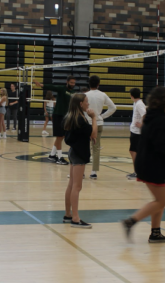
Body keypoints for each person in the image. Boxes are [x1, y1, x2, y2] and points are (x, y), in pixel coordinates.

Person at [122, 86, 165, 244]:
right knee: (161, 201)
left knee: (159, 199)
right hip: (152, 165)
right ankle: (131, 222)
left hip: (146, 163)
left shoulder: (153, 117)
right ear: (163, 101)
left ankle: (155, 233)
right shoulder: (161, 120)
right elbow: (162, 146)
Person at [63, 93, 96, 228]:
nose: (88, 104)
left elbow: (81, 134)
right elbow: (93, 133)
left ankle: (68, 214)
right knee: (77, 186)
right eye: (86, 101)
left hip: (73, 151)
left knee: (71, 185)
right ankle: (75, 219)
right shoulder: (80, 119)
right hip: (79, 153)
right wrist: (94, 118)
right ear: (80, 104)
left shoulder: (72, 117)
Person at [35, 76, 77, 165]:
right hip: (58, 115)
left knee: (61, 137)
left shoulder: (73, 92)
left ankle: (52, 155)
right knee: (59, 136)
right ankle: (59, 158)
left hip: (66, 117)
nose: (73, 84)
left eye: (74, 83)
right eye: (71, 82)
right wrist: (41, 85)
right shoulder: (62, 89)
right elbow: (52, 87)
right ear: (67, 82)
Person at [84, 75, 117, 180]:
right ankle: (94, 172)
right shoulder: (103, 95)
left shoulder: (84, 95)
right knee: (96, 148)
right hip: (98, 123)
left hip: (86, 124)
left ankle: (81, 171)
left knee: (83, 147)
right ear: (98, 84)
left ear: (89, 84)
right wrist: (101, 116)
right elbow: (113, 108)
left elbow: (79, 109)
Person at [127, 87, 146, 179]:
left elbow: (145, 115)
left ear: (132, 96)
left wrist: (142, 125)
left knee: (134, 151)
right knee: (133, 151)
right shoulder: (136, 103)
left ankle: (137, 172)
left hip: (137, 132)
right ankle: (137, 171)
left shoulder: (139, 104)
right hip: (134, 131)